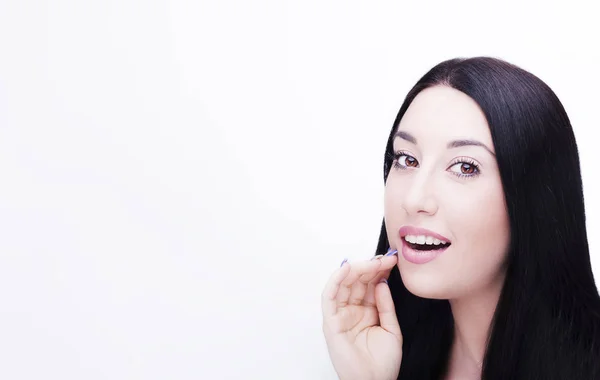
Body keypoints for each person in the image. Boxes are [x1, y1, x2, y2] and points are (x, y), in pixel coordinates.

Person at [321, 56, 600, 380]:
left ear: (531, 198)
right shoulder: (394, 351)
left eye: (465, 167)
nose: (414, 200)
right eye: (406, 159)